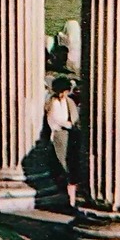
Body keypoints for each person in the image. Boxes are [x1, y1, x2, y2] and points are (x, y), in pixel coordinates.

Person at [45, 76, 80, 209]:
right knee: (60, 166)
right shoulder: (51, 102)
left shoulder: (69, 102)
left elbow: (74, 121)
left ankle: (72, 199)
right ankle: (65, 197)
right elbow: (52, 120)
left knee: (70, 168)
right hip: (57, 136)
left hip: (69, 137)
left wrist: (69, 125)